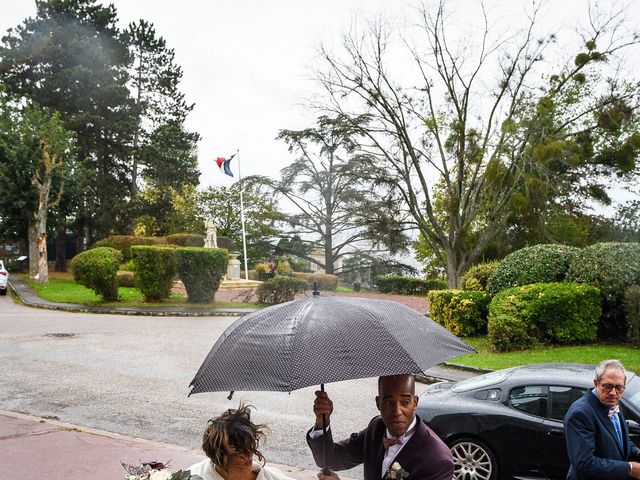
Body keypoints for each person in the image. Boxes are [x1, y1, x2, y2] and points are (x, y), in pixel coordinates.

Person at [307, 374, 453, 480]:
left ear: (415, 402)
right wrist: (322, 421)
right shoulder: (376, 429)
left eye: (405, 402)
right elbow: (331, 459)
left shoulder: (438, 461)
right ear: (378, 403)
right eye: (389, 403)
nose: (397, 412)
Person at [564, 359, 640, 479]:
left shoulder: (613, 403)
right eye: (607, 386)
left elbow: (619, 439)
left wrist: (636, 452)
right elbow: (585, 464)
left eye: (619, 387)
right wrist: (630, 468)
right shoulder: (580, 413)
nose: (613, 393)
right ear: (596, 383)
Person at [189, 404, 296, 480]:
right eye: (236, 449)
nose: (248, 454)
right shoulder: (193, 475)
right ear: (218, 454)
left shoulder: (272, 476)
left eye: (250, 445)